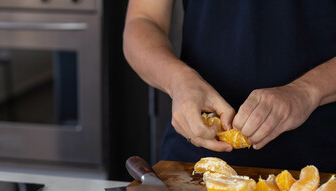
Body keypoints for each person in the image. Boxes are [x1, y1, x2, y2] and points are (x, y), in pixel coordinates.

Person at [123, 0, 336, 172]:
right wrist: (178, 81)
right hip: (194, 165)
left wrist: (307, 91)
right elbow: (143, 20)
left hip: (321, 167)